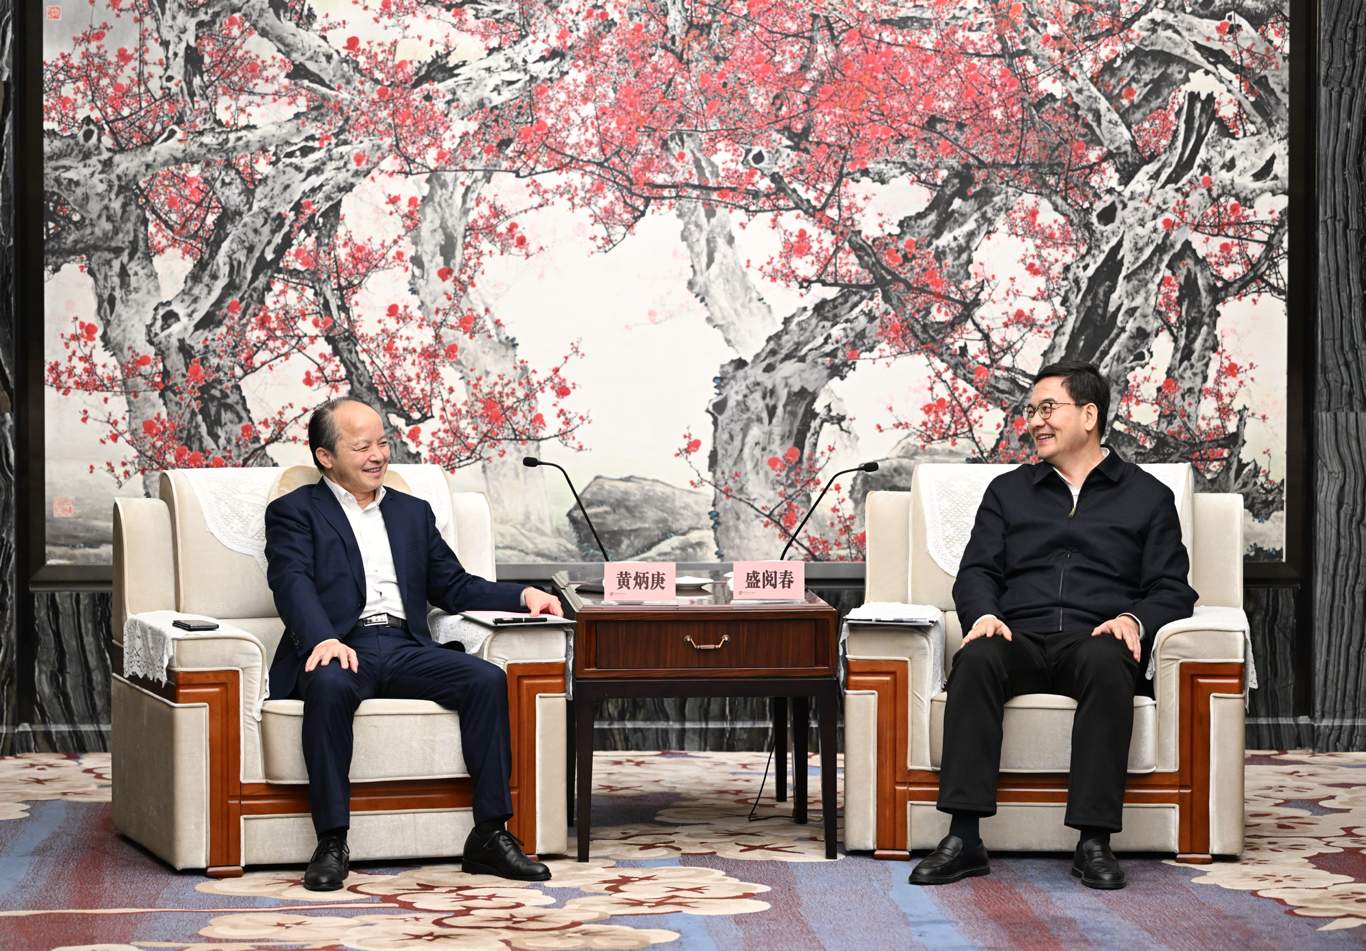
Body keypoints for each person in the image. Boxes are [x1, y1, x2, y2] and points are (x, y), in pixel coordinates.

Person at [909, 361, 1197, 890]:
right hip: (1016, 635)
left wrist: (1132, 620)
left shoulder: (1148, 497)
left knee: (1111, 662)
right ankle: (964, 837)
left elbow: (1172, 588)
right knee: (976, 658)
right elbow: (977, 572)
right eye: (1031, 411)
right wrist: (985, 615)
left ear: (1089, 415)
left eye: (1048, 408)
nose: (1036, 421)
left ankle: (1094, 840)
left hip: (1095, 637)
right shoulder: (1008, 492)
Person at [264, 397, 563, 891]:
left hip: (404, 645)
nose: (378, 455)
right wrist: (323, 638)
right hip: (343, 644)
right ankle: (332, 841)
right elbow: (290, 580)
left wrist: (521, 594)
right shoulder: (294, 512)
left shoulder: (412, 513)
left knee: (486, 680)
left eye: (383, 443)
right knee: (329, 685)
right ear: (326, 456)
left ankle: (489, 835)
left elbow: (455, 586)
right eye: (362, 447)